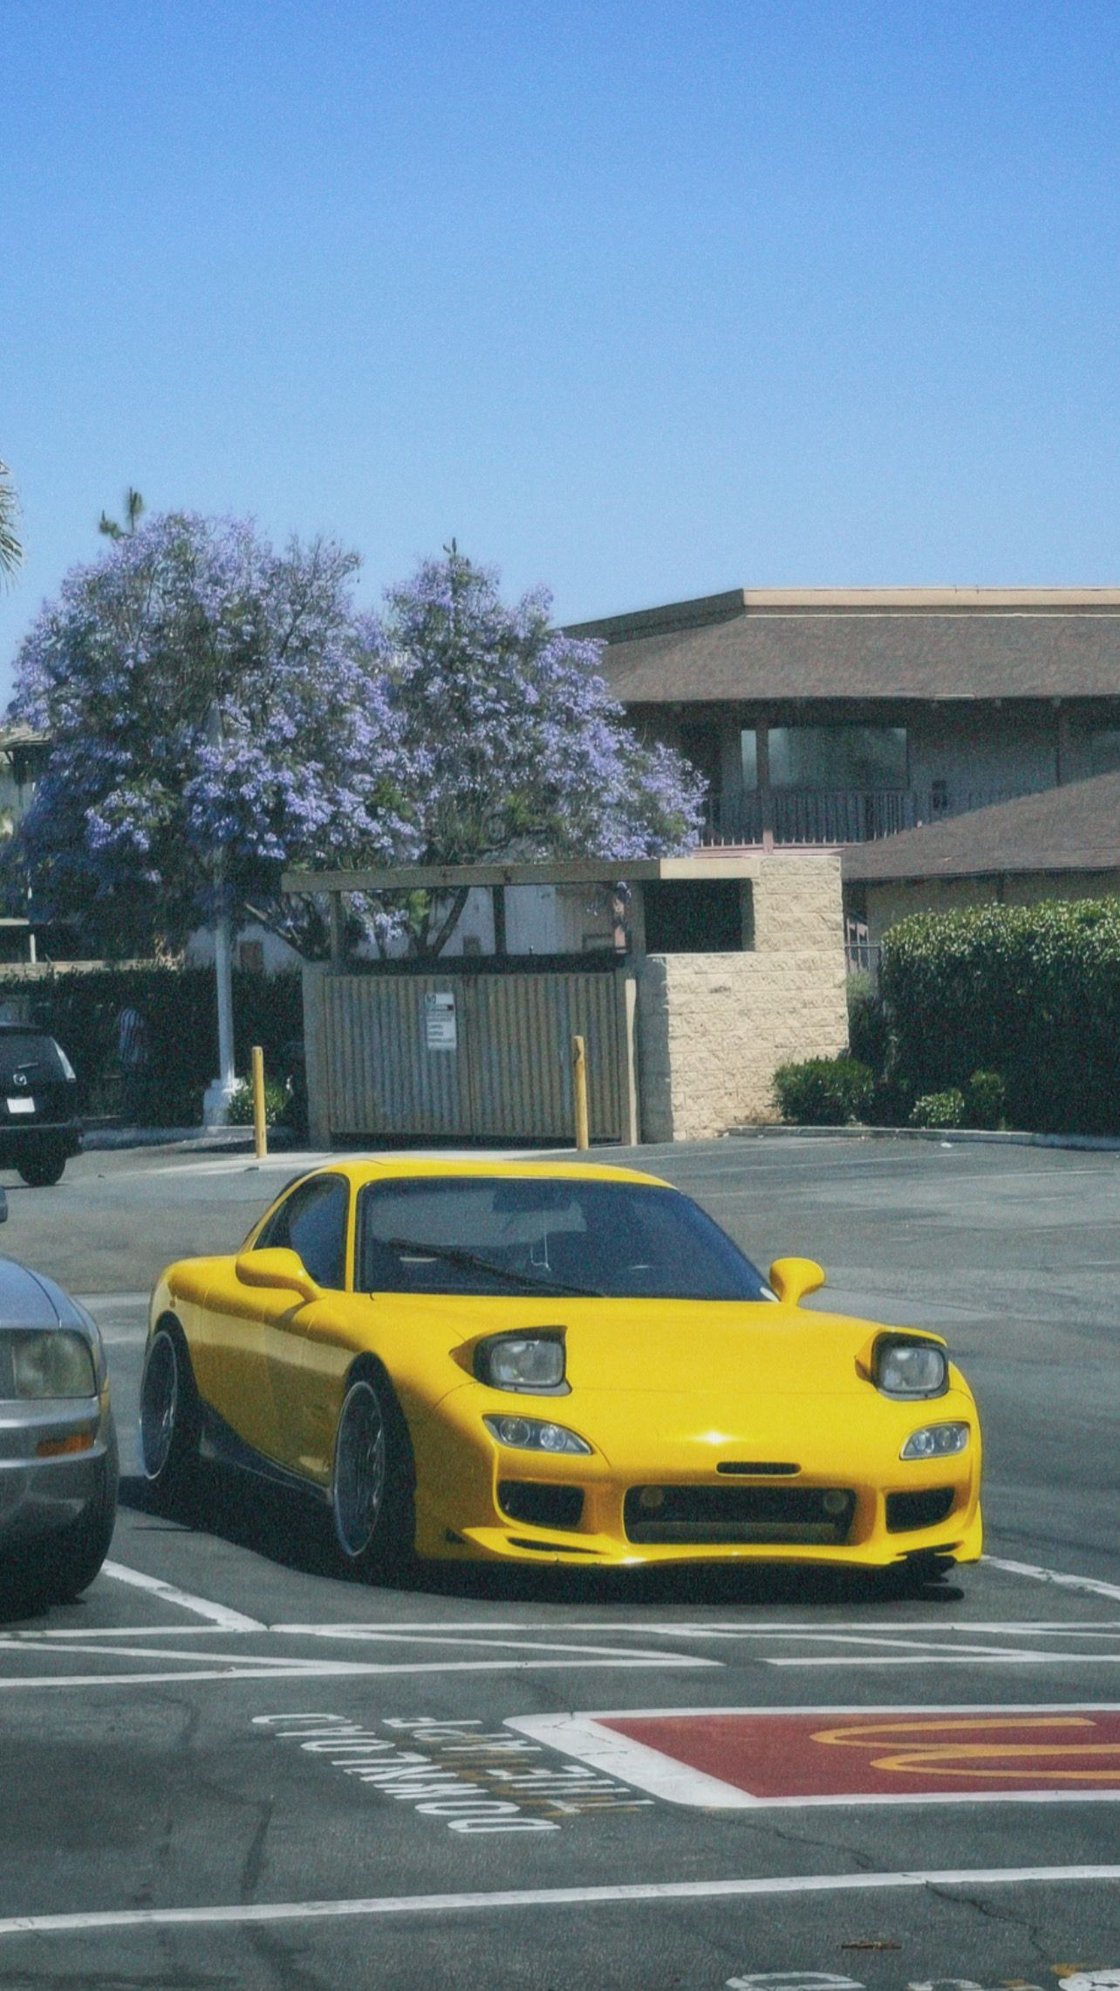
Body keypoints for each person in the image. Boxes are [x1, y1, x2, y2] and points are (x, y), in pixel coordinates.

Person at [117, 1003, 151, 1124]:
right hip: (136, 1057)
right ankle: (134, 1114)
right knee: (136, 1086)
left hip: (124, 1055)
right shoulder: (137, 1016)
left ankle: (126, 1112)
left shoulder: (123, 1013)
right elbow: (139, 1035)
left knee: (127, 1086)